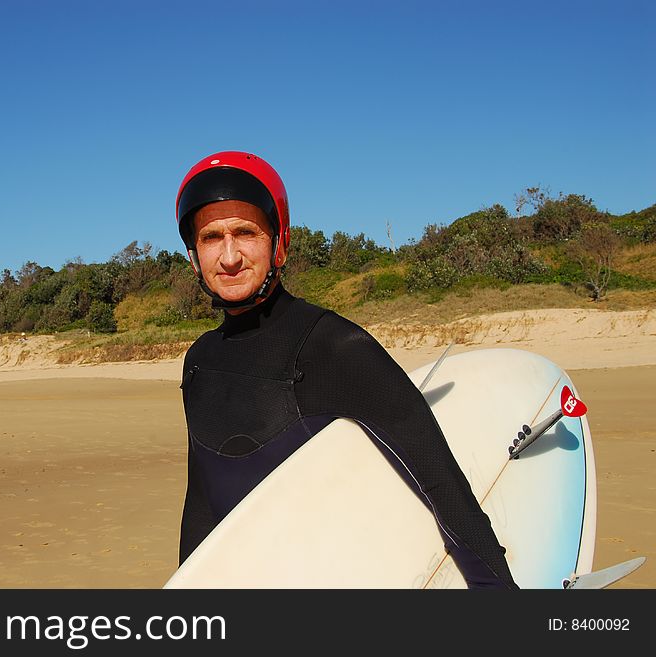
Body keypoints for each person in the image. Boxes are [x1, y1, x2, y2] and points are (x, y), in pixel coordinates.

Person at [174, 150, 518, 589]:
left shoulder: (334, 348)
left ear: (279, 243)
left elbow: (443, 486)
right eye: (210, 237)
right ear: (192, 255)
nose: (229, 256)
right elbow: (201, 502)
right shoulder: (200, 362)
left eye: (245, 233)